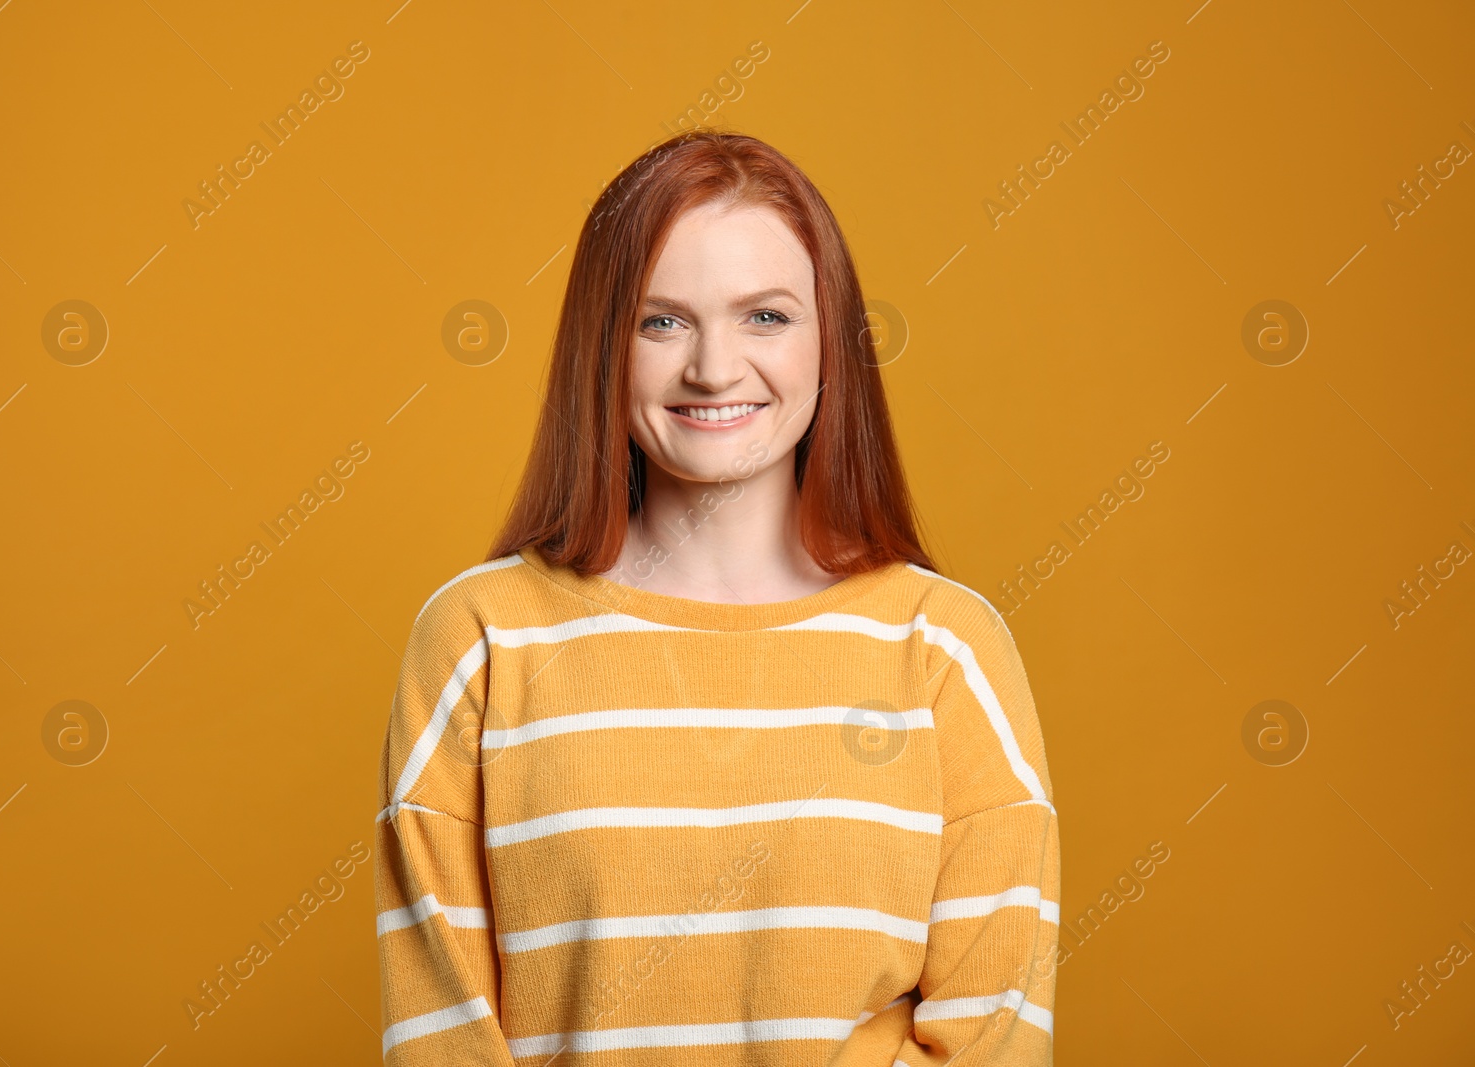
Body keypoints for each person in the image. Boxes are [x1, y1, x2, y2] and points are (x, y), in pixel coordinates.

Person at [373, 129, 1058, 1065]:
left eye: (766, 317)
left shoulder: (947, 649)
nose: (713, 367)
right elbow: (440, 1033)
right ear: (600, 346)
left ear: (832, 341)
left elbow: (992, 1038)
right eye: (661, 321)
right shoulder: (480, 639)